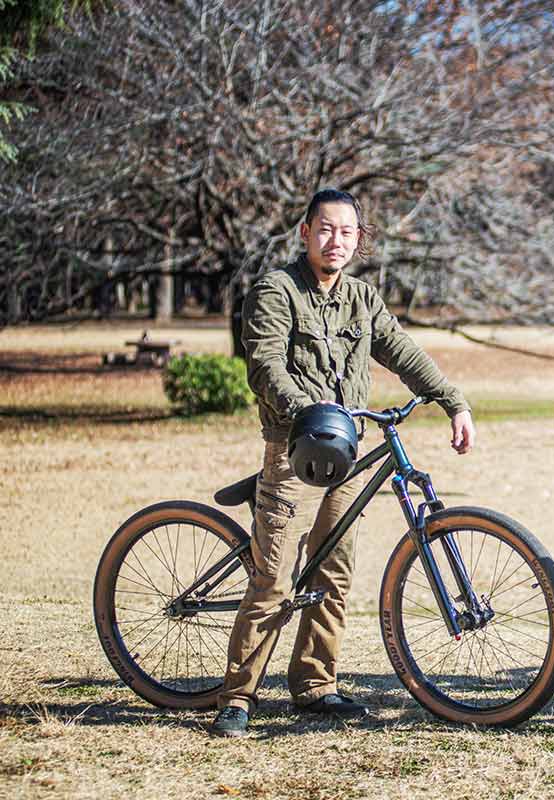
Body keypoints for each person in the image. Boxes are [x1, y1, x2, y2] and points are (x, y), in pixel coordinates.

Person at [211, 189, 475, 738]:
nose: (336, 241)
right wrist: (307, 411)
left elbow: (400, 350)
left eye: (347, 232)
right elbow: (264, 364)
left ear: (360, 239)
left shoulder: (361, 297)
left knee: (334, 574)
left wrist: (453, 401)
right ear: (305, 232)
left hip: (347, 454)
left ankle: (314, 685)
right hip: (295, 448)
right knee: (274, 578)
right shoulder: (276, 290)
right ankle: (237, 697)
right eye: (326, 229)